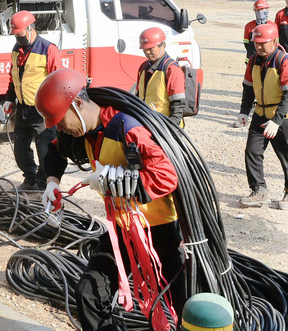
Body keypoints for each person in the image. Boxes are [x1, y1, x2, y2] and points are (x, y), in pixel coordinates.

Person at [36, 68, 186, 330]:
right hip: (121, 230)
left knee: (184, 303)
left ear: (78, 104)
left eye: (60, 122)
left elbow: (166, 176)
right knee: (89, 293)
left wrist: (113, 180)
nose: (60, 129)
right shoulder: (82, 133)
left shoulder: (127, 128)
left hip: (159, 231)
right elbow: (54, 152)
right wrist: (52, 183)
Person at [235, 24, 288, 209]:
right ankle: (259, 190)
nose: (259, 47)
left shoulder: (285, 61)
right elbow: (248, 88)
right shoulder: (253, 60)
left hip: (283, 116)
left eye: (263, 43)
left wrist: (277, 121)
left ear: (274, 41)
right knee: (253, 151)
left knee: (287, 153)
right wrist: (243, 111)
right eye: (256, 43)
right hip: (260, 113)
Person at [3, 10, 61, 191]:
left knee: (44, 150)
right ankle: (30, 178)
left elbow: (58, 79)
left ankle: (44, 184)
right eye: (15, 35)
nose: (18, 38)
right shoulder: (16, 50)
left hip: (42, 110)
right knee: (20, 149)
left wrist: (56, 108)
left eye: (20, 34)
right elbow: (14, 76)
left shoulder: (48, 49)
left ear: (30, 28)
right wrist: (9, 98)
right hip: (23, 109)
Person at [136, 27, 186, 127]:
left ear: (163, 45)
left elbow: (178, 104)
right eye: (145, 49)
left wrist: (172, 128)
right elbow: (138, 96)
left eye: (151, 49)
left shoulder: (172, 69)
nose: (147, 53)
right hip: (148, 122)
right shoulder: (143, 67)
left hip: (165, 125)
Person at [243, 0, 277, 64]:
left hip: (269, 60)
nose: (260, 12)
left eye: (262, 9)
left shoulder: (273, 26)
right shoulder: (249, 26)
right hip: (252, 60)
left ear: (267, 10)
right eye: (258, 10)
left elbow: (276, 44)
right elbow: (246, 44)